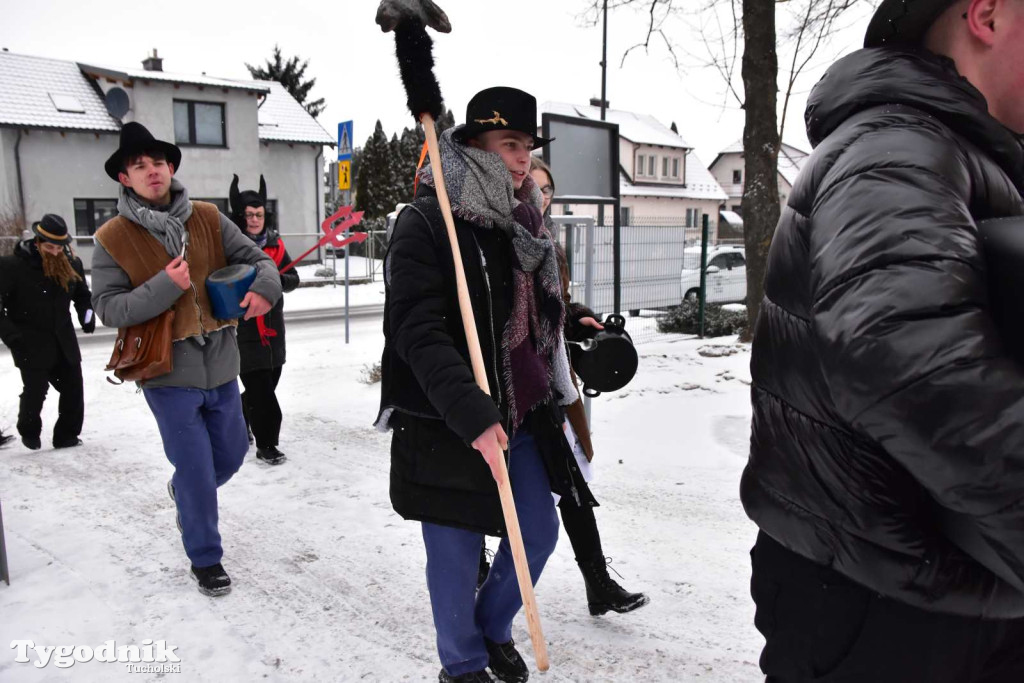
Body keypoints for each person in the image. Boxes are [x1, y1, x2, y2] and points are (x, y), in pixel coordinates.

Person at [741, 0, 1024, 680]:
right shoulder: (897, 148)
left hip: (954, 590)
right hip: (883, 605)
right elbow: (902, 360)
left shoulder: (960, 152)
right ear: (987, 14)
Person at [376, 86, 596, 683]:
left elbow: (524, 311)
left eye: (527, 145)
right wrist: (469, 411)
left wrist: (570, 320)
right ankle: (463, 662)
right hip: (447, 416)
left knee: (541, 531)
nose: (522, 158)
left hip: (521, 410)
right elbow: (414, 329)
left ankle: (492, 627)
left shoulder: (522, 222)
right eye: (509, 144)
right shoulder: (426, 221)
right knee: (453, 550)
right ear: (472, 146)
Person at [91, 122, 281, 597]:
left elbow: (262, 261)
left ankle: (187, 492)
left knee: (233, 455)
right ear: (125, 178)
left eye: (158, 162)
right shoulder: (112, 237)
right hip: (165, 372)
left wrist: (263, 290)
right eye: (139, 166)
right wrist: (163, 287)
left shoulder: (208, 218)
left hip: (221, 363)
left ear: (171, 167)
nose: (151, 171)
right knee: (196, 470)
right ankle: (206, 557)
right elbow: (108, 307)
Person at [0, 215, 94, 450]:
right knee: (36, 389)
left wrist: (86, 313)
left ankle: (66, 435)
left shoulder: (72, 264)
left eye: (59, 247)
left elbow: (81, 294)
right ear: (37, 242)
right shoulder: (13, 267)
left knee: (74, 388)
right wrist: (11, 336)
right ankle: (29, 430)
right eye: (49, 247)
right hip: (29, 340)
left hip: (63, 338)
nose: (54, 252)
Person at [229, 175, 299, 466]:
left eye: (258, 214)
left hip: (274, 331)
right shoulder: (231, 247)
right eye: (249, 214)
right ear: (240, 217)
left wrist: (278, 279)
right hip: (246, 331)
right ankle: (267, 445)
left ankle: (242, 414)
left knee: (268, 384)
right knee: (264, 394)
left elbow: (293, 278)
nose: (255, 219)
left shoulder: (277, 246)